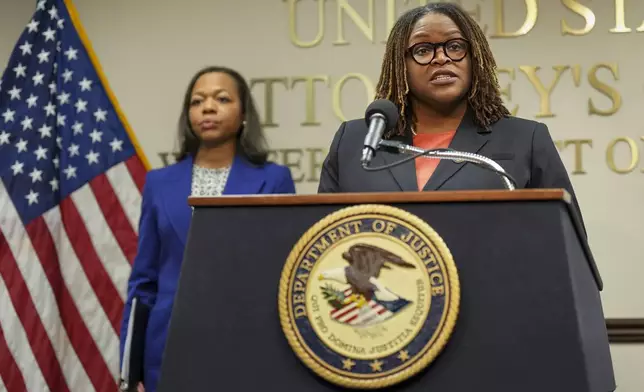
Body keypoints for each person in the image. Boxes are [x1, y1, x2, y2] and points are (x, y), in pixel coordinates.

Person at [317, 3, 585, 229]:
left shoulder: (526, 139)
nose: (441, 58)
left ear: (474, 57)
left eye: (455, 46)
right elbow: (324, 239)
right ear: (401, 65)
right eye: (423, 50)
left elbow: (568, 246)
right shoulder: (354, 142)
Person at [119, 66, 296, 392]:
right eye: (197, 101)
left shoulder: (274, 179)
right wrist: (130, 373)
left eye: (222, 98)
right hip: (167, 349)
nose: (208, 108)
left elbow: (283, 276)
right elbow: (143, 284)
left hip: (246, 348)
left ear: (244, 113)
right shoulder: (159, 183)